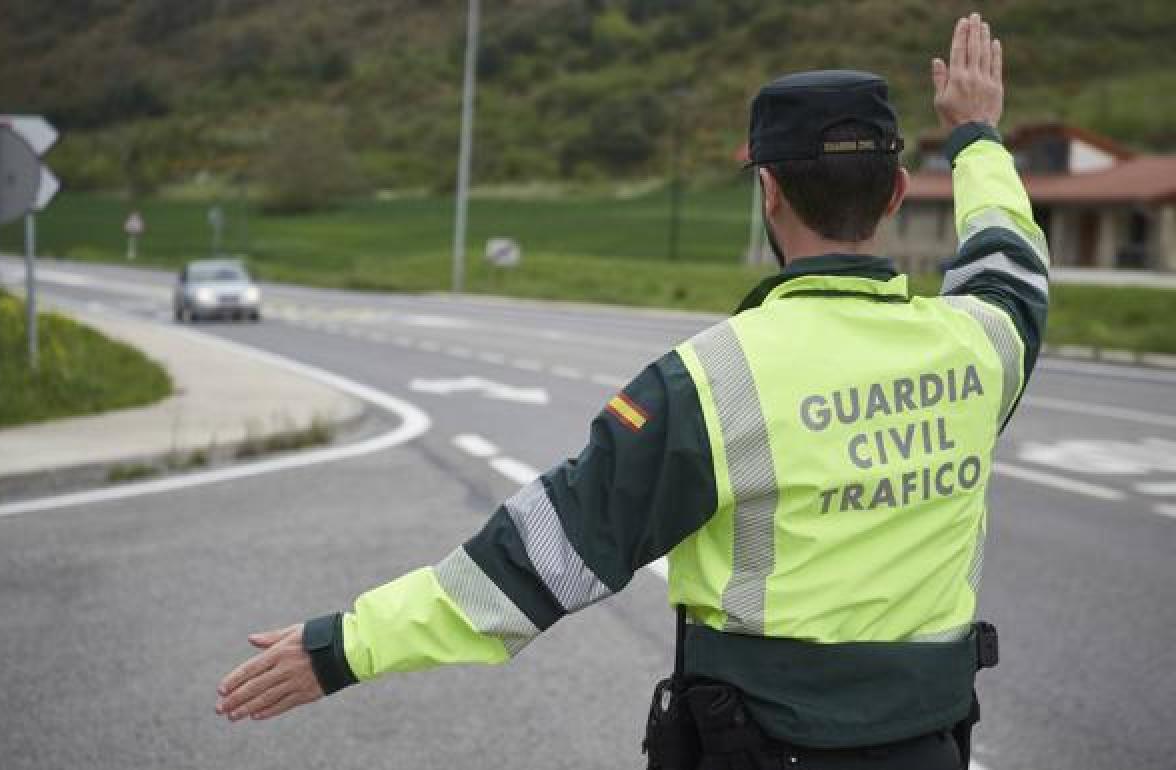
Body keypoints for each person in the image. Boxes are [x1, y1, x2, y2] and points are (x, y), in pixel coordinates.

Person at [216, 13, 1048, 770]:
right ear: (897, 194)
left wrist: (344, 647)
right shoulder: (982, 346)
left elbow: (537, 558)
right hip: (933, 748)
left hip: (760, 753)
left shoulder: (711, 380)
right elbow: (1011, 261)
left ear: (768, 192)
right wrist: (975, 136)